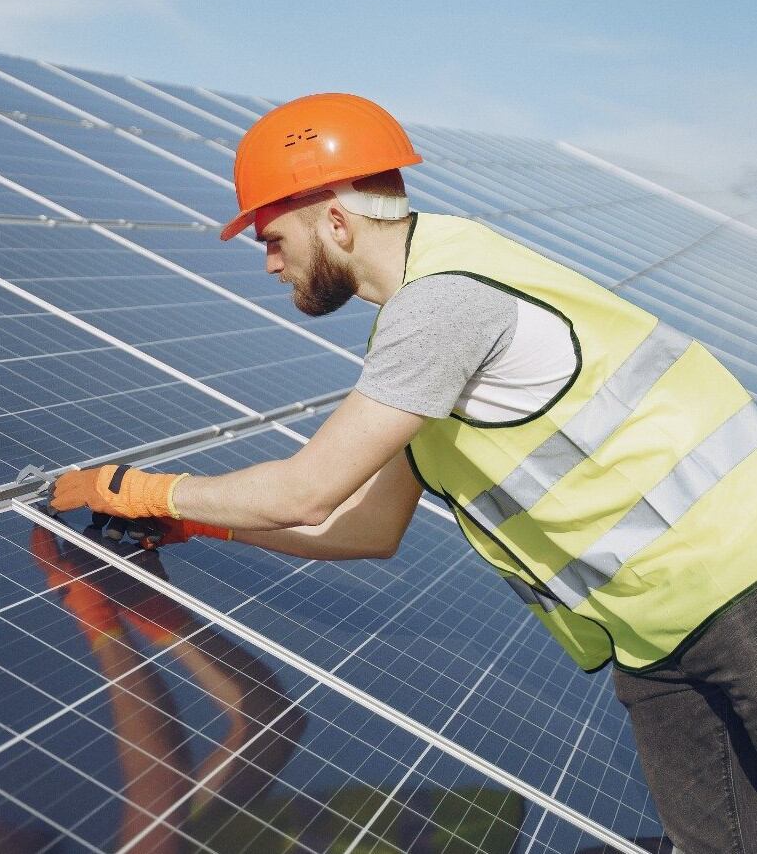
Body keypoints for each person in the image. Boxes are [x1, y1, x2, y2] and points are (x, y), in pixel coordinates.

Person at [46, 93, 757, 854]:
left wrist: (141, 488)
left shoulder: (443, 305)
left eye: (273, 235)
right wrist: (200, 522)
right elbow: (366, 527)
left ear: (336, 221)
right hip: (655, 634)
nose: (268, 259)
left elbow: (304, 489)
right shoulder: (422, 328)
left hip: (738, 584)